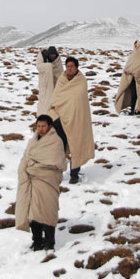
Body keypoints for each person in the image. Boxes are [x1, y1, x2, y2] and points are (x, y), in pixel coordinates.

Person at [15, 114, 67, 251]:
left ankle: (50, 242)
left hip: (47, 180)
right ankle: (37, 240)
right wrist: (25, 169)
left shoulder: (56, 141)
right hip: (31, 180)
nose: (40, 129)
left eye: (43, 126)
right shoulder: (33, 141)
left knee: (48, 211)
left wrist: (32, 167)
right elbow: (26, 157)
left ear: (49, 126)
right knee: (33, 213)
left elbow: (56, 161)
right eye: (38, 126)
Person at [48, 56, 95, 184]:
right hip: (61, 119)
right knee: (59, 146)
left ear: (76, 67)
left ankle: (74, 173)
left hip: (76, 119)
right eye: (67, 66)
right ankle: (57, 172)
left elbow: (78, 101)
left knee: (76, 146)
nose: (69, 69)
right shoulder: (62, 80)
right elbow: (55, 99)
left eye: (72, 66)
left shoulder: (81, 81)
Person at [115, 40, 140, 115]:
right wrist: (129, 70)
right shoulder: (133, 54)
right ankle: (132, 109)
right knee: (133, 94)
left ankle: (138, 109)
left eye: (136, 45)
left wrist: (131, 70)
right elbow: (130, 65)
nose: (135, 46)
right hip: (132, 78)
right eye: (134, 45)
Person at [36, 46, 63, 116]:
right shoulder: (43, 56)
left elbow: (59, 71)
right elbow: (39, 66)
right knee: (44, 99)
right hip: (45, 83)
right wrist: (48, 66)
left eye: (54, 55)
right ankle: (43, 115)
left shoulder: (57, 59)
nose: (53, 56)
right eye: (51, 55)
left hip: (55, 84)